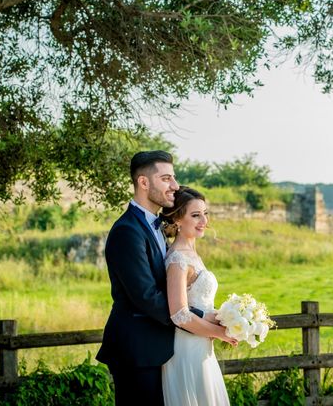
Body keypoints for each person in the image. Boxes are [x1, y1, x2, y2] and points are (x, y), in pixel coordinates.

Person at [96, 151, 211, 405]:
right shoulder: (128, 231)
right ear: (144, 182)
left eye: (174, 178)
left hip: (161, 349)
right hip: (137, 351)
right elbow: (145, 296)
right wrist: (197, 316)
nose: (175, 186)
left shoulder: (157, 226)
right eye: (166, 179)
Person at [160, 186, 237, 405]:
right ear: (177, 220)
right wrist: (219, 332)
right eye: (195, 215)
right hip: (186, 347)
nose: (203, 220)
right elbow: (179, 314)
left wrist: (228, 318)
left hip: (201, 345)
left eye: (205, 213)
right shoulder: (177, 260)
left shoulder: (192, 254)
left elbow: (197, 303)